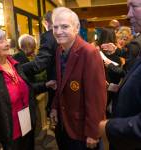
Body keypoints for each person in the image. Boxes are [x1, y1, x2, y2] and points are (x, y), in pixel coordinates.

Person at [50, 7, 107, 150]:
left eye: (64, 26)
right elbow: (61, 83)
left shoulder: (89, 52)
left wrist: (93, 132)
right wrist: (55, 107)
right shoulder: (59, 50)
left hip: (81, 129)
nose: (58, 31)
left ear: (76, 28)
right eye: (55, 27)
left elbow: (96, 96)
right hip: (64, 124)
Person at [0, 28, 55, 150]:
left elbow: (27, 88)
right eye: (0, 41)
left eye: (5, 39)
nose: (7, 43)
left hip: (26, 127)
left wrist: (45, 85)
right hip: (8, 137)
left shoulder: (14, 64)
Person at [99, 0, 141, 149]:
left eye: (134, 6)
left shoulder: (136, 43)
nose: (129, 14)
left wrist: (108, 127)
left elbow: (126, 70)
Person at [22, 11, 58, 116]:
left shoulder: (48, 36)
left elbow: (39, 64)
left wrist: (16, 68)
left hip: (56, 83)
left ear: (46, 23)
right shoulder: (65, 35)